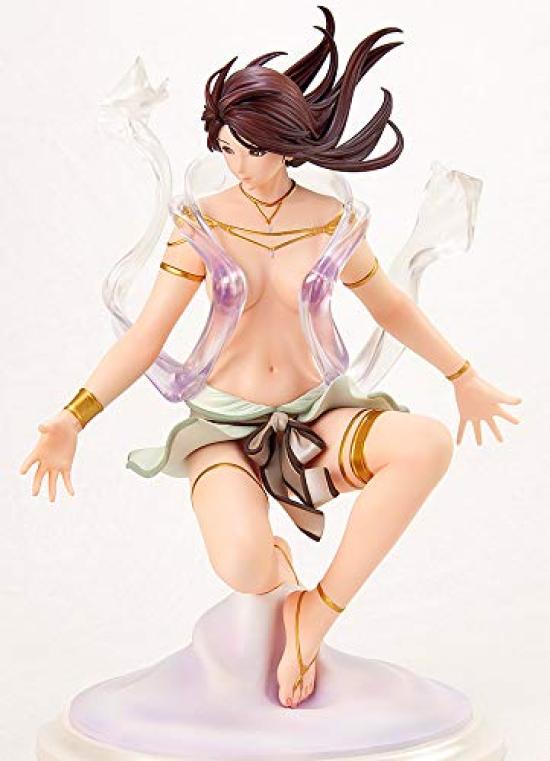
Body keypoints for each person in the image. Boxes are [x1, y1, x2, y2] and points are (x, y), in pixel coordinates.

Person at [19, 6, 521, 710]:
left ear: (286, 144)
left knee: (427, 444)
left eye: (252, 150)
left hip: (318, 418)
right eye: (226, 149)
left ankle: (315, 614)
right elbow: (146, 336)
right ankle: (277, 574)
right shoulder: (201, 222)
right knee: (244, 564)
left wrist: (464, 376)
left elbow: (391, 308)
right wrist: (75, 416)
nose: (238, 166)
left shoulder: (333, 219)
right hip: (225, 428)